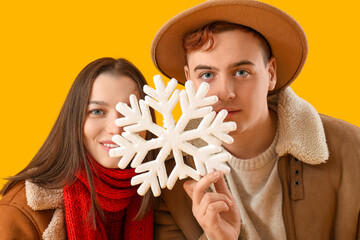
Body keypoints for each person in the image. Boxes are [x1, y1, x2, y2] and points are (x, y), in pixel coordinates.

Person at [150, 0, 360, 239]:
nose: (225, 92)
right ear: (189, 81)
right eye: (207, 75)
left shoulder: (352, 151)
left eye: (241, 72)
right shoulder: (170, 178)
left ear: (270, 74)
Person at [0, 57, 155, 240]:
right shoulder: (20, 213)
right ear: (75, 120)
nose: (116, 128)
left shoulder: (162, 194)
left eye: (131, 112)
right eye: (97, 112)